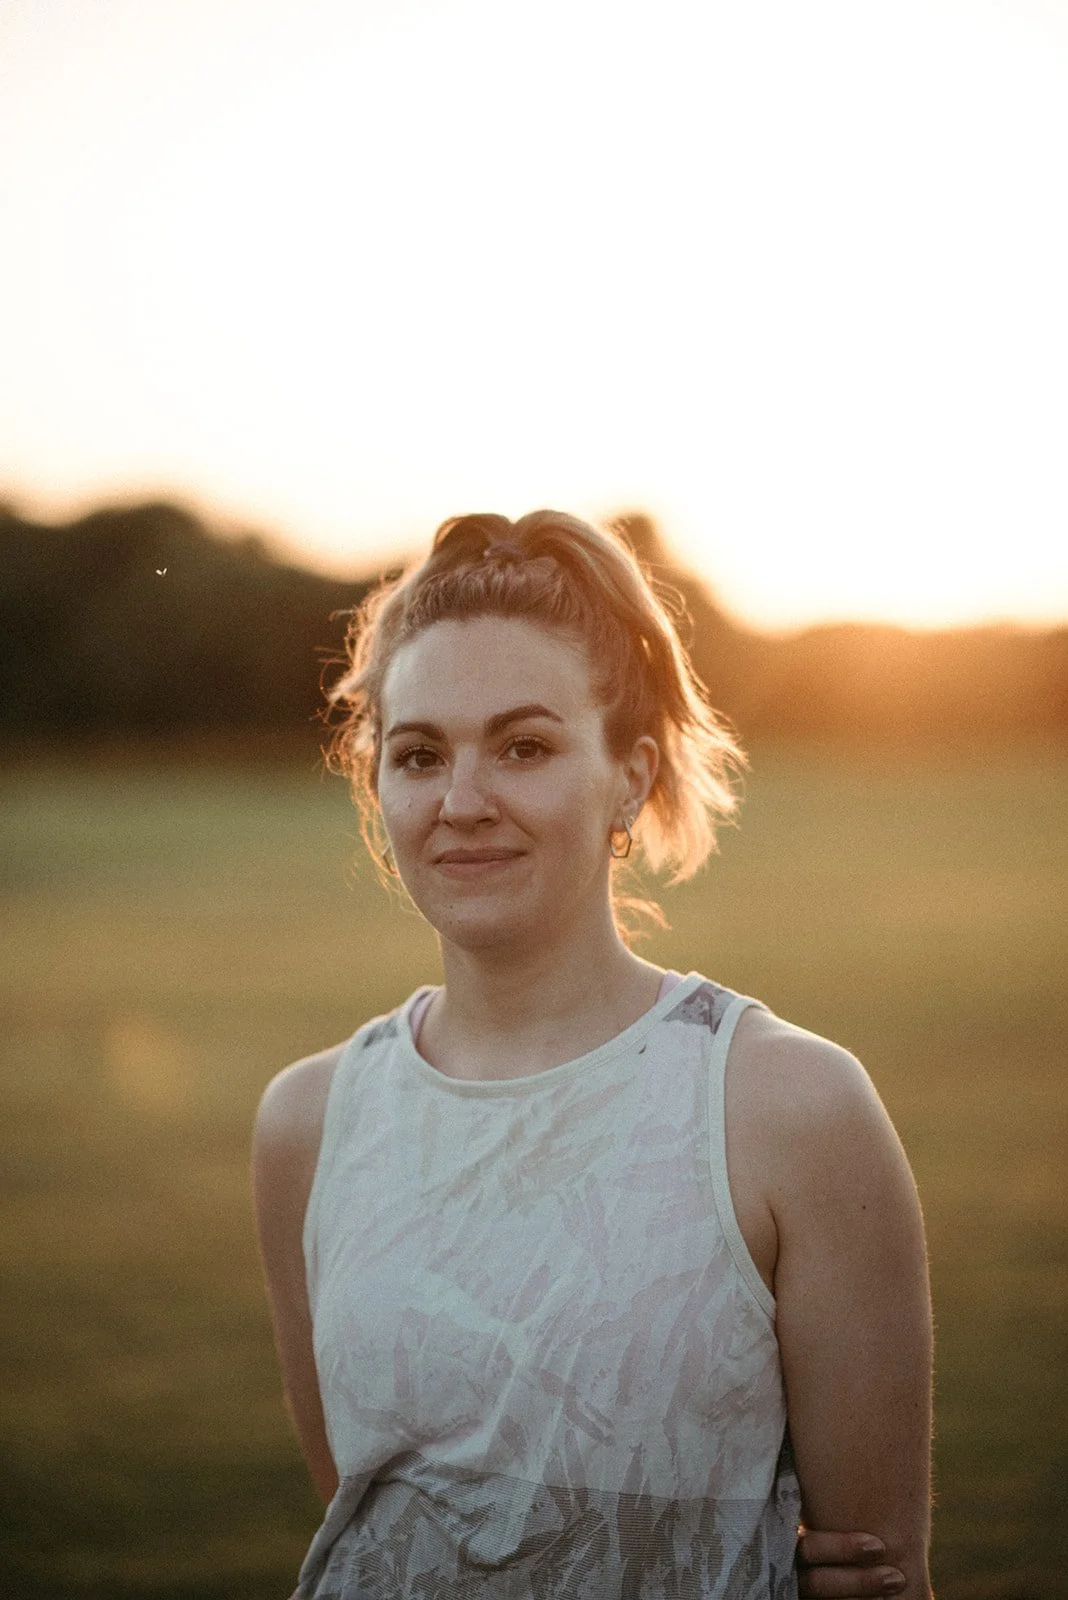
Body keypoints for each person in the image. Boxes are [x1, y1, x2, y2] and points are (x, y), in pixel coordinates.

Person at [252, 511, 933, 1599]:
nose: (461, 803)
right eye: (420, 754)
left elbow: (879, 1570)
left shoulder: (791, 1108)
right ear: (375, 784)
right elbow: (380, 1516)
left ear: (630, 775)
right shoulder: (309, 1120)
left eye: (524, 745)